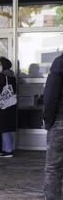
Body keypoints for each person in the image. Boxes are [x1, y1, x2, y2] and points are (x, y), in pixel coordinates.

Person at [43, 53, 63, 199]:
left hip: (60, 122)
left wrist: (48, 120)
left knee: (53, 167)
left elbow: (50, 95)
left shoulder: (60, 63)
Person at [0, 57, 17, 158]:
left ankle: (7, 150)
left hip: (2, 106)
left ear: (4, 65)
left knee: (3, 127)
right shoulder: (12, 76)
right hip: (10, 104)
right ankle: (9, 148)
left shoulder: (2, 76)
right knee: (8, 127)